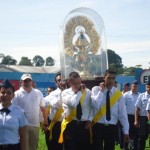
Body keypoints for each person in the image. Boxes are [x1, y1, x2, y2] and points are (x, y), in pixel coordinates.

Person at [91, 69, 129, 150]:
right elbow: (95, 105)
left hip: (112, 127)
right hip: (98, 125)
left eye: (113, 78)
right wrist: (101, 92)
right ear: (104, 78)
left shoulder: (118, 94)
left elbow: (122, 114)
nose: (111, 80)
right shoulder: (96, 89)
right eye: (109, 78)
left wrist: (126, 131)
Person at [12, 73, 48, 150]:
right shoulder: (16, 94)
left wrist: (45, 122)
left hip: (34, 125)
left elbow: (43, 108)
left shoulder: (38, 93)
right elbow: (13, 110)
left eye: (29, 80)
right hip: (20, 126)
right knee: (22, 147)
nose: (27, 82)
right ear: (21, 82)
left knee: (33, 147)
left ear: (31, 81)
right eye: (25, 80)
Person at [59, 71, 92, 150]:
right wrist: (80, 91)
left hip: (84, 125)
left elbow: (92, 108)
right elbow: (74, 103)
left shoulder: (88, 92)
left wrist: (90, 119)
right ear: (69, 82)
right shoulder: (65, 93)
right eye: (75, 83)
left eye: (79, 82)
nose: (78, 85)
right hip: (70, 124)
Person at [0, 79, 28, 150]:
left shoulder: (19, 112)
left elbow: (23, 136)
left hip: (14, 147)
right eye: (3, 92)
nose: (5, 95)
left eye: (9, 93)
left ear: (13, 95)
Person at [44, 73, 64, 150]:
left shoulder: (71, 92)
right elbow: (57, 104)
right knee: (54, 146)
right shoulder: (52, 94)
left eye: (62, 80)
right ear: (56, 83)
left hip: (67, 125)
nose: (61, 82)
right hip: (55, 125)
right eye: (59, 80)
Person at [123, 80, 140, 150]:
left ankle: (135, 147)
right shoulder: (126, 95)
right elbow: (122, 106)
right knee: (127, 132)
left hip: (137, 117)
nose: (135, 87)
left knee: (136, 134)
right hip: (128, 117)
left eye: (136, 86)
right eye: (134, 86)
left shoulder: (140, 95)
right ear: (131, 86)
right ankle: (125, 147)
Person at [135, 80, 150, 150]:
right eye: (147, 87)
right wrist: (136, 120)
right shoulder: (141, 96)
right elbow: (137, 109)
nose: (148, 89)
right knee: (142, 136)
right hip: (143, 119)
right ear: (145, 87)